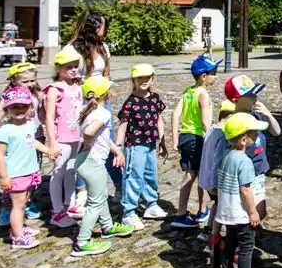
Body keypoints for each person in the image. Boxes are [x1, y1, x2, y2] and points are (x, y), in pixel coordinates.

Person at [74, 75, 133, 257]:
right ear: (104, 94)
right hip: (93, 164)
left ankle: (107, 226)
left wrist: (116, 151)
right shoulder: (103, 113)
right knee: (95, 202)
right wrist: (87, 138)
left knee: (99, 196)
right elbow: (91, 132)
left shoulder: (88, 111)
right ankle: (82, 242)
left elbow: (103, 137)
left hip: (84, 161)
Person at [0, 86, 59, 250]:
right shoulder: (5, 130)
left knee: (24, 202)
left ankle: (18, 228)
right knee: (18, 205)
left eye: (24, 106)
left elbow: (33, 142)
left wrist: (47, 150)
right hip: (16, 174)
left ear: (30, 107)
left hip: (29, 171)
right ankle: (18, 237)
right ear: (7, 109)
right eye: (15, 107)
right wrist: (3, 176)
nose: (20, 110)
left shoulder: (29, 125)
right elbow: (0, 155)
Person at [214, 112, 270, 268]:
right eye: (254, 133)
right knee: (246, 247)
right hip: (241, 214)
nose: (257, 136)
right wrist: (253, 212)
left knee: (230, 244)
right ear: (244, 139)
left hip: (226, 213)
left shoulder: (225, 156)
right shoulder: (245, 161)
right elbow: (245, 190)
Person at [0, 62, 45, 226]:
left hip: (34, 139)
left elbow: (44, 117)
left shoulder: (37, 95)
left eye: (33, 80)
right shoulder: (9, 99)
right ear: (13, 80)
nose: (30, 84)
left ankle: (27, 203)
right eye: (25, 81)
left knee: (31, 175)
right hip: (15, 143)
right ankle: (7, 208)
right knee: (14, 177)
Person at [68, 10, 119, 210]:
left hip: (102, 101)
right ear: (94, 27)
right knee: (85, 144)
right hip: (82, 102)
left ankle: (117, 185)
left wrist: (106, 97)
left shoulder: (103, 48)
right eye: (102, 26)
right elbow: (68, 76)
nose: (104, 30)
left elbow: (107, 74)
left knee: (108, 141)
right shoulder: (74, 49)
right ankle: (81, 190)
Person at [224, 75, 281, 230]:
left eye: (255, 93)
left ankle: (246, 236)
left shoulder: (257, 114)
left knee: (260, 211)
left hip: (259, 170)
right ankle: (240, 242)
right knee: (245, 211)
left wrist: (268, 114)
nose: (255, 98)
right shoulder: (234, 122)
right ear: (236, 100)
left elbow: (276, 131)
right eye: (250, 95)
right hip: (243, 174)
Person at [117, 63, 169, 231]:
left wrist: (162, 141)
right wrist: (118, 148)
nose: (144, 81)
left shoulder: (155, 98)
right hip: (134, 145)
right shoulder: (130, 102)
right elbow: (123, 124)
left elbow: (159, 119)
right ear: (134, 80)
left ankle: (151, 204)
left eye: (147, 77)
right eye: (140, 78)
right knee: (133, 177)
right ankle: (129, 211)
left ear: (152, 78)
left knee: (150, 174)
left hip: (151, 143)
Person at [170, 54, 220, 228]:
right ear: (204, 76)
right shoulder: (203, 94)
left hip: (185, 136)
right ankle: (182, 213)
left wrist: (175, 138)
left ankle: (202, 210)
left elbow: (175, 114)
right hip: (197, 138)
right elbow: (206, 123)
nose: (216, 75)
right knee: (194, 175)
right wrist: (215, 138)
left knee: (197, 173)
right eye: (214, 72)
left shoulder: (188, 92)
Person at [45, 45, 84, 228]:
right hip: (62, 137)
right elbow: (49, 117)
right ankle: (56, 210)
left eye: (75, 66)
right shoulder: (55, 89)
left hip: (76, 136)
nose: (73, 69)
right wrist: (52, 142)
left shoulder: (77, 86)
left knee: (71, 170)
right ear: (58, 69)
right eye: (69, 67)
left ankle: (70, 204)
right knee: (58, 172)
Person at [197, 100, 237, 251]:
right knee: (224, 210)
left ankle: (208, 231)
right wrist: (215, 184)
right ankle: (214, 241)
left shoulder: (212, 129)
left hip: (206, 177)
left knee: (217, 205)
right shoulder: (222, 134)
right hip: (215, 181)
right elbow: (217, 159)